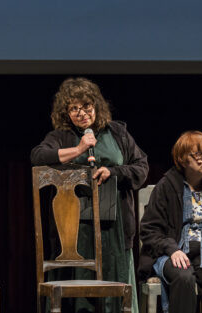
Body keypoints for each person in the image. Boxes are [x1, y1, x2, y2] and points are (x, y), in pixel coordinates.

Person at [31, 77, 148, 313]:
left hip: (115, 225)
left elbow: (141, 167)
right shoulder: (61, 135)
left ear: (96, 106)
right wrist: (78, 150)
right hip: (75, 227)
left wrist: (113, 171)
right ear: (66, 112)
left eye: (86, 106)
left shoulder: (117, 133)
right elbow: (38, 157)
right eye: (74, 108)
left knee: (115, 282)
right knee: (82, 293)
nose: (81, 113)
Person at [138, 131, 202, 313]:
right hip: (172, 252)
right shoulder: (167, 185)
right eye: (200, 155)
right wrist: (172, 250)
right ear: (183, 159)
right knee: (184, 277)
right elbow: (150, 229)